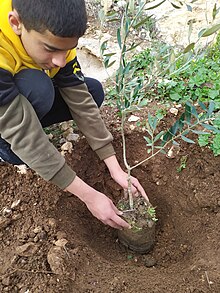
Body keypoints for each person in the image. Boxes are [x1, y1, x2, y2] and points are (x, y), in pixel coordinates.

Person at [0, 0, 148, 230]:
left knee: (92, 90)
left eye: (67, 49)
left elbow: (79, 97)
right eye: (50, 48)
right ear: (16, 23)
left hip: (14, 91)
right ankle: (6, 148)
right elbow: (20, 127)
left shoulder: (54, 35)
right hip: (6, 105)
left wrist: (114, 166)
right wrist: (89, 196)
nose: (60, 60)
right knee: (37, 87)